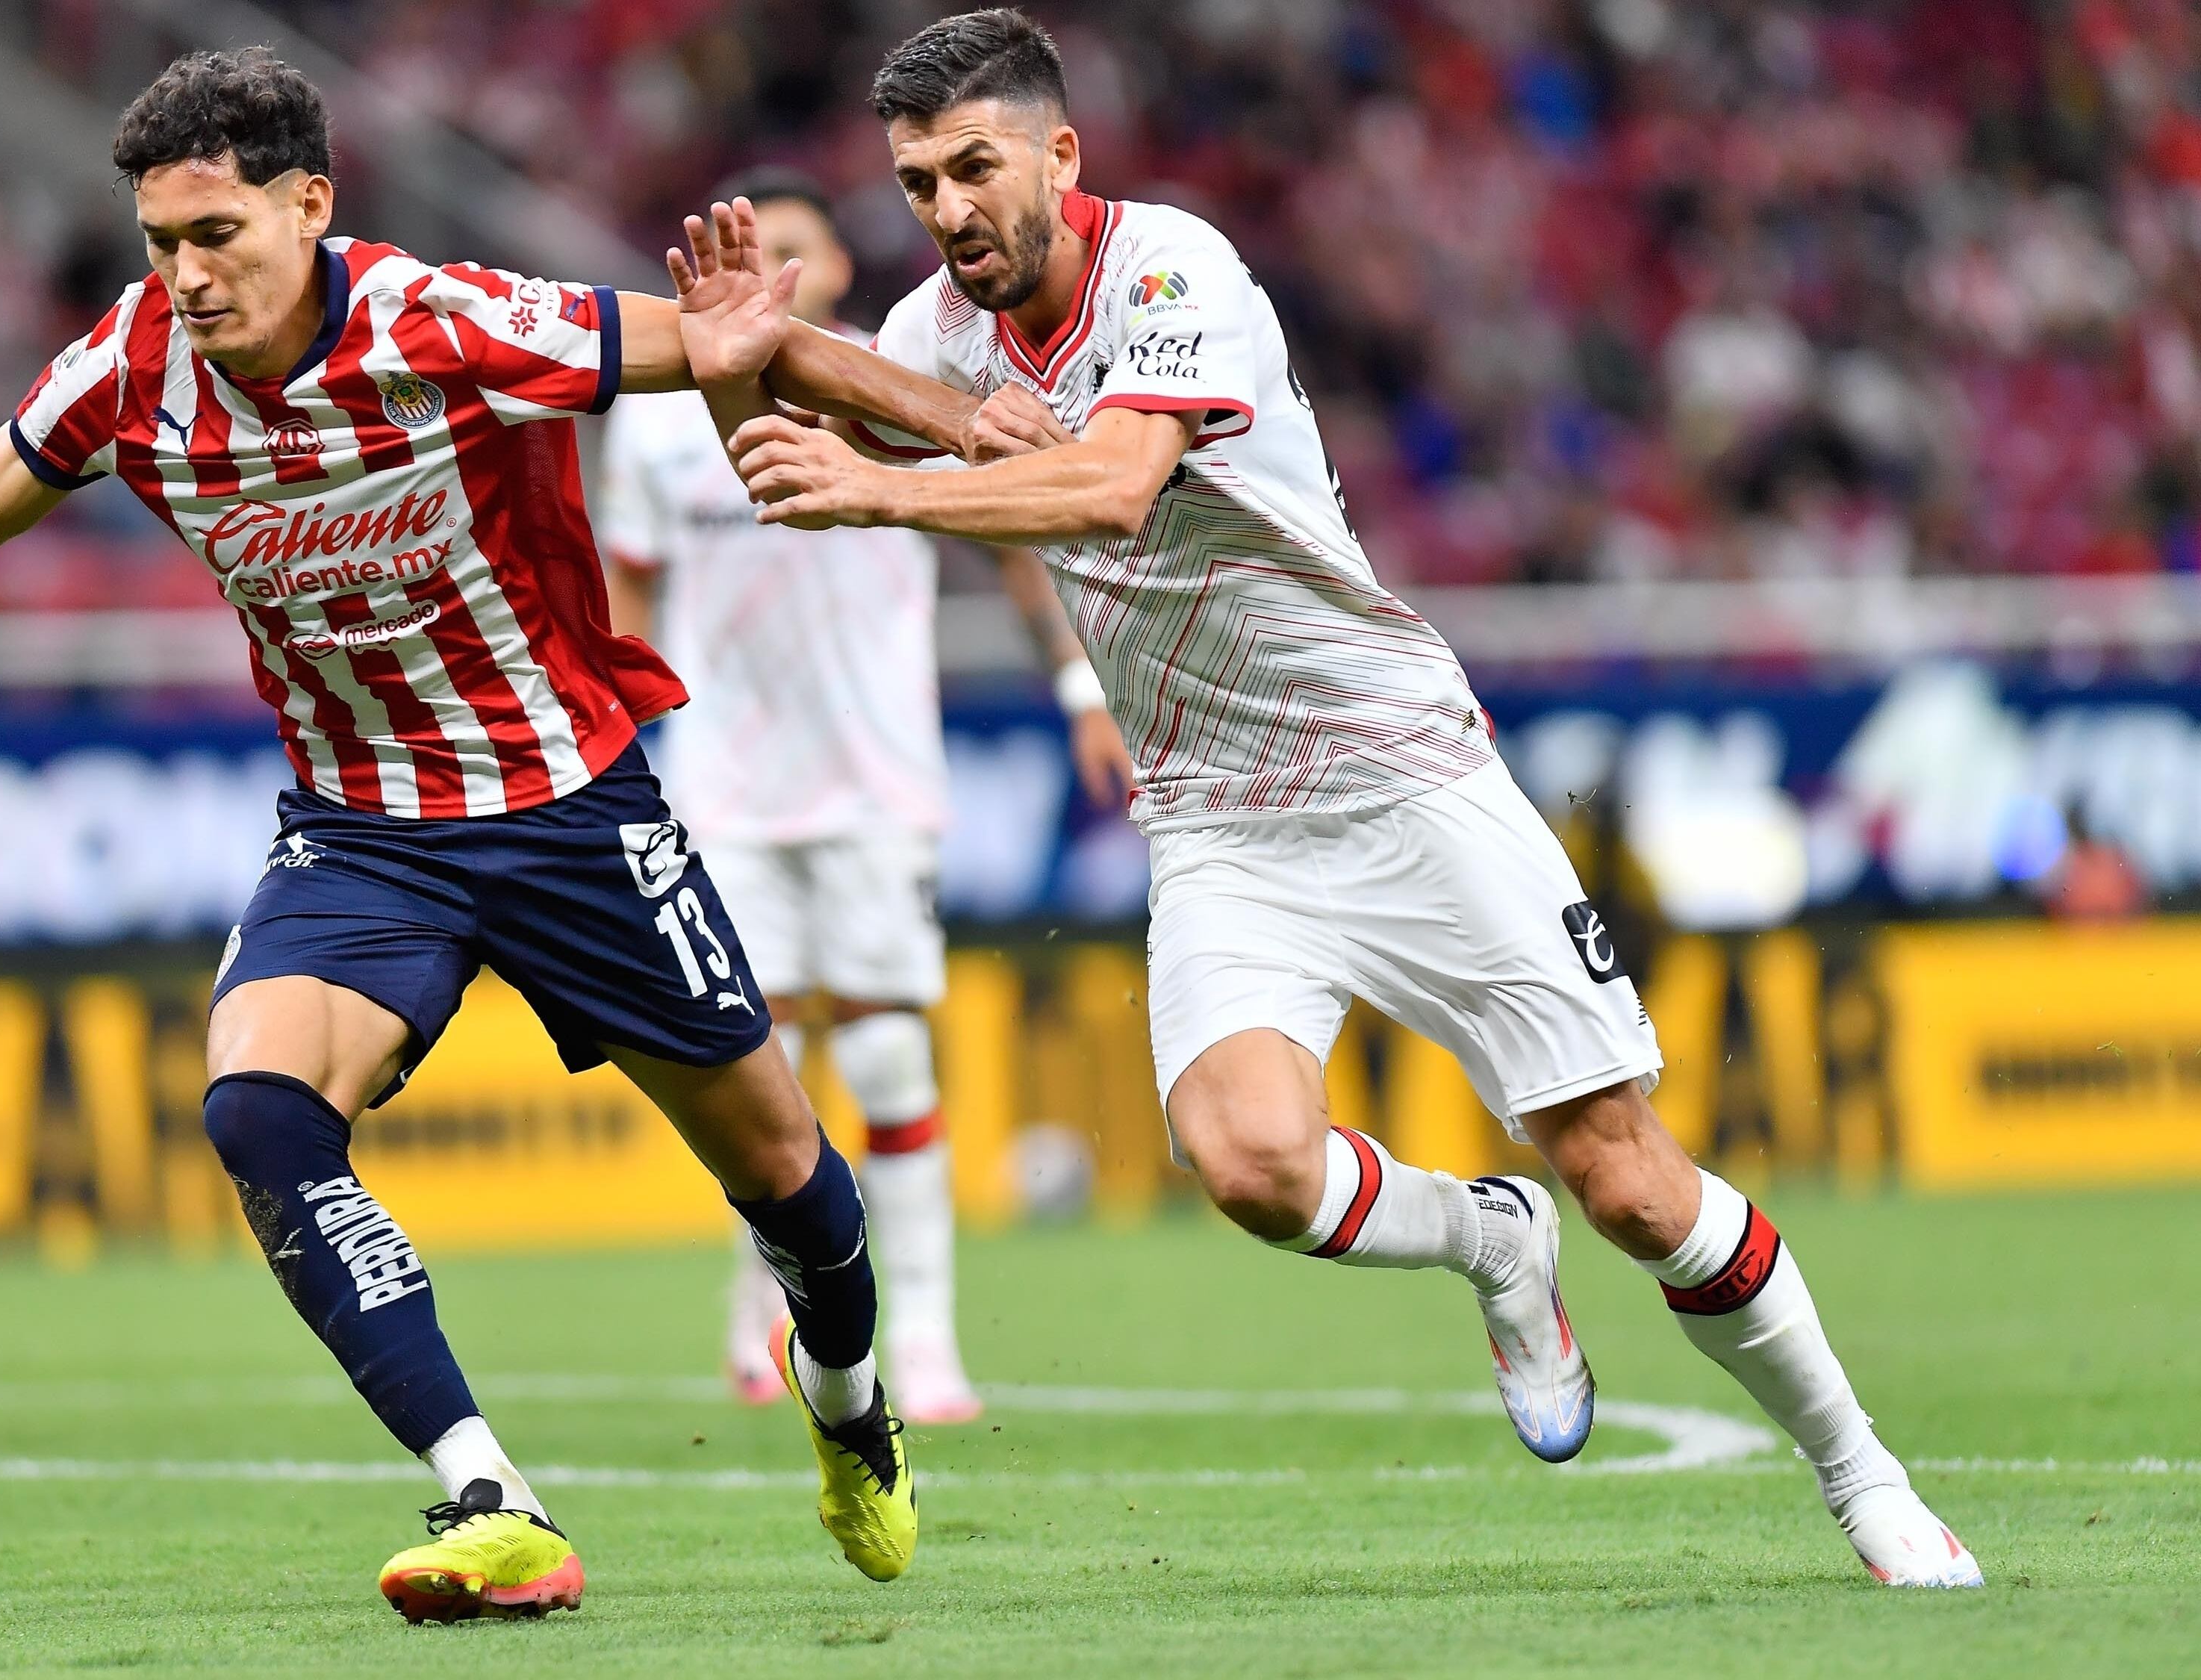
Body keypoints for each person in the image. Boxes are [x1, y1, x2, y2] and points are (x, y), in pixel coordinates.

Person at [678, 8, 1980, 1590]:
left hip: (1398, 768)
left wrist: (889, 482)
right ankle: (1486, 1239)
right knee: (1247, 1166)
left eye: (973, 167)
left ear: (1058, 154)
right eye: (915, 184)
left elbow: (1103, 483)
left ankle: (1862, 1475)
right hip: (1216, 816)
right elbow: (831, 429)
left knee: (1630, 1183)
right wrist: (742, 355)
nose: (948, 209)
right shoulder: (935, 333)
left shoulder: (1173, 269)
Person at [0, 50, 990, 1623]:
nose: (183, 277)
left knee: (790, 1179)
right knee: (258, 1114)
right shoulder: (124, 369)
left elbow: (749, 346)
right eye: (158, 243)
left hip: (564, 810)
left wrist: (992, 439)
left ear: (309, 206)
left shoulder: (433, 320)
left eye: (215, 236)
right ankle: (491, 1497)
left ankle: (851, 1408)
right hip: (360, 832)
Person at [599, 166, 1132, 1425]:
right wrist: (627, 740)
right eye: (742, 246)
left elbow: (1012, 537)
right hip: (724, 783)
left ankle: (932, 1344)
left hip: (877, 774)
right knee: (756, 1070)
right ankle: (756, 1330)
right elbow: (629, 584)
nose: (766, 264)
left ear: (836, 273)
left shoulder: (886, 393)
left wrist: (1078, 686)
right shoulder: (659, 421)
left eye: (791, 247)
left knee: (889, 1053)